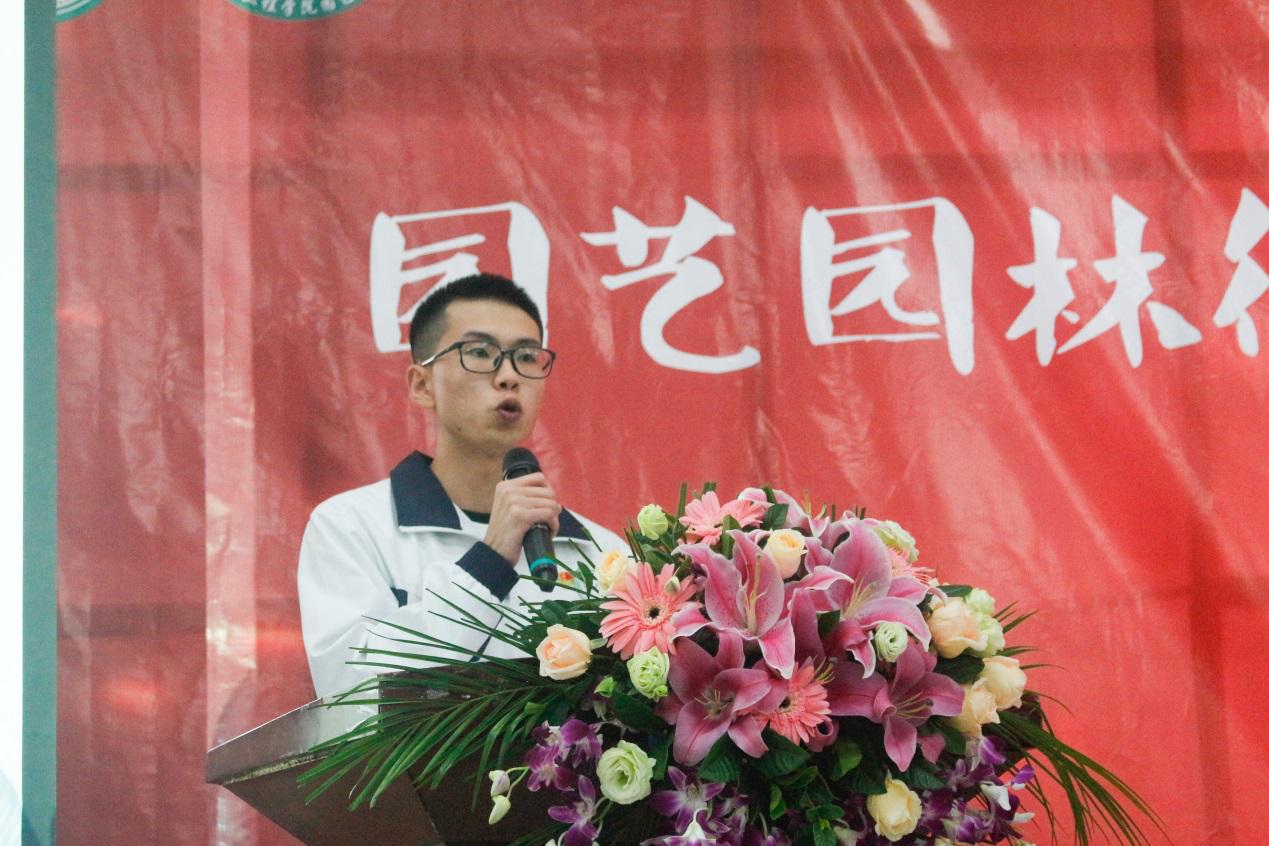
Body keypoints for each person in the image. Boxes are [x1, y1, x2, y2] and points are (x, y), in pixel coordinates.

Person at [298, 273, 627, 698]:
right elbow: (352, 692)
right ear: (422, 385)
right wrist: (488, 563)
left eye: (527, 357)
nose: (508, 376)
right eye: (479, 352)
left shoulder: (602, 554)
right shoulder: (350, 527)